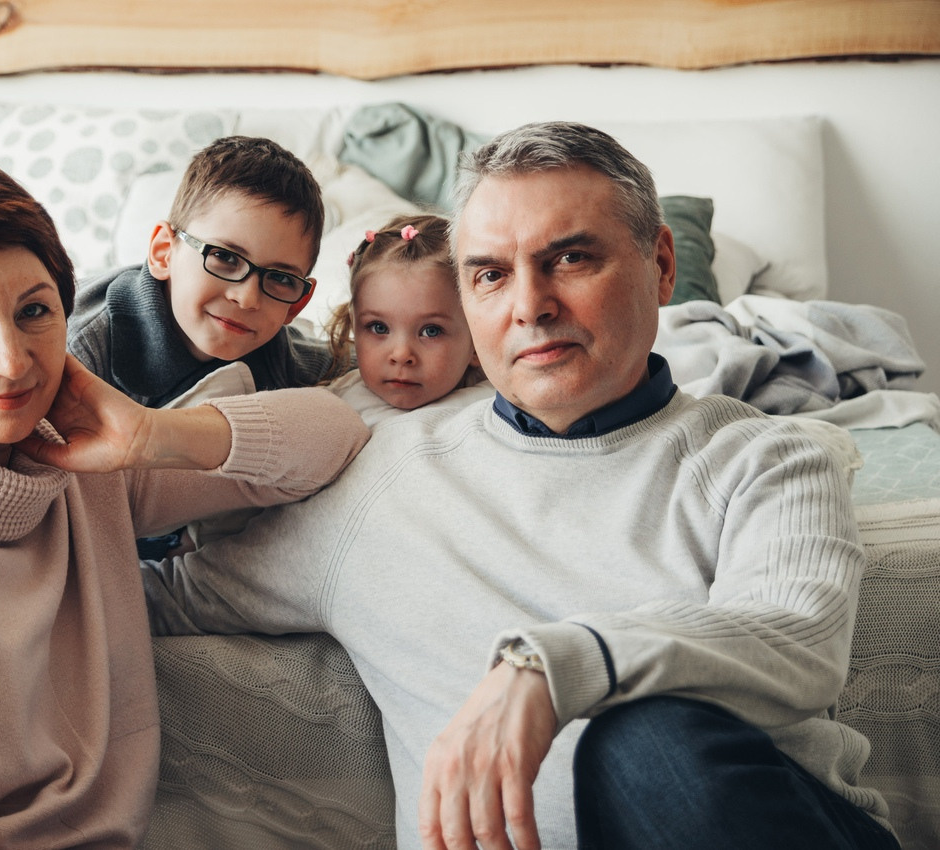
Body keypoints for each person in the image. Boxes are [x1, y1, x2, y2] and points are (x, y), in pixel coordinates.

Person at [141, 122, 898, 850]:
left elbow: (798, 637)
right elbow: (161, 595)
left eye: (571, 260)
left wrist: (552, 668)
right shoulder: (376, 476)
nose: (530, 306)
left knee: (641, 740)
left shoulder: (769, 457)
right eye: (492, 274)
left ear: (662, 264)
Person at [0, 158, 370, 849]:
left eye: (34, 312)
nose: (13, 362)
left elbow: (332, 435)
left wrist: (149, 434)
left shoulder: (78, 468)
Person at [66, 134, 334, 409]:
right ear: (163, 253)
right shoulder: (78, 351)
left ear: (297, 305)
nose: (247, 298)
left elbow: (357, 362)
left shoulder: (281, 356)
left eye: (280, 278)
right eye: (225, 257)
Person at [324, 213, 485, 426]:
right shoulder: (334, 407)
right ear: (354, 325)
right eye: (379, 327)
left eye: (431, 331)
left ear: (477, 339)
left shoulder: (500, 410)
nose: (401, 355)